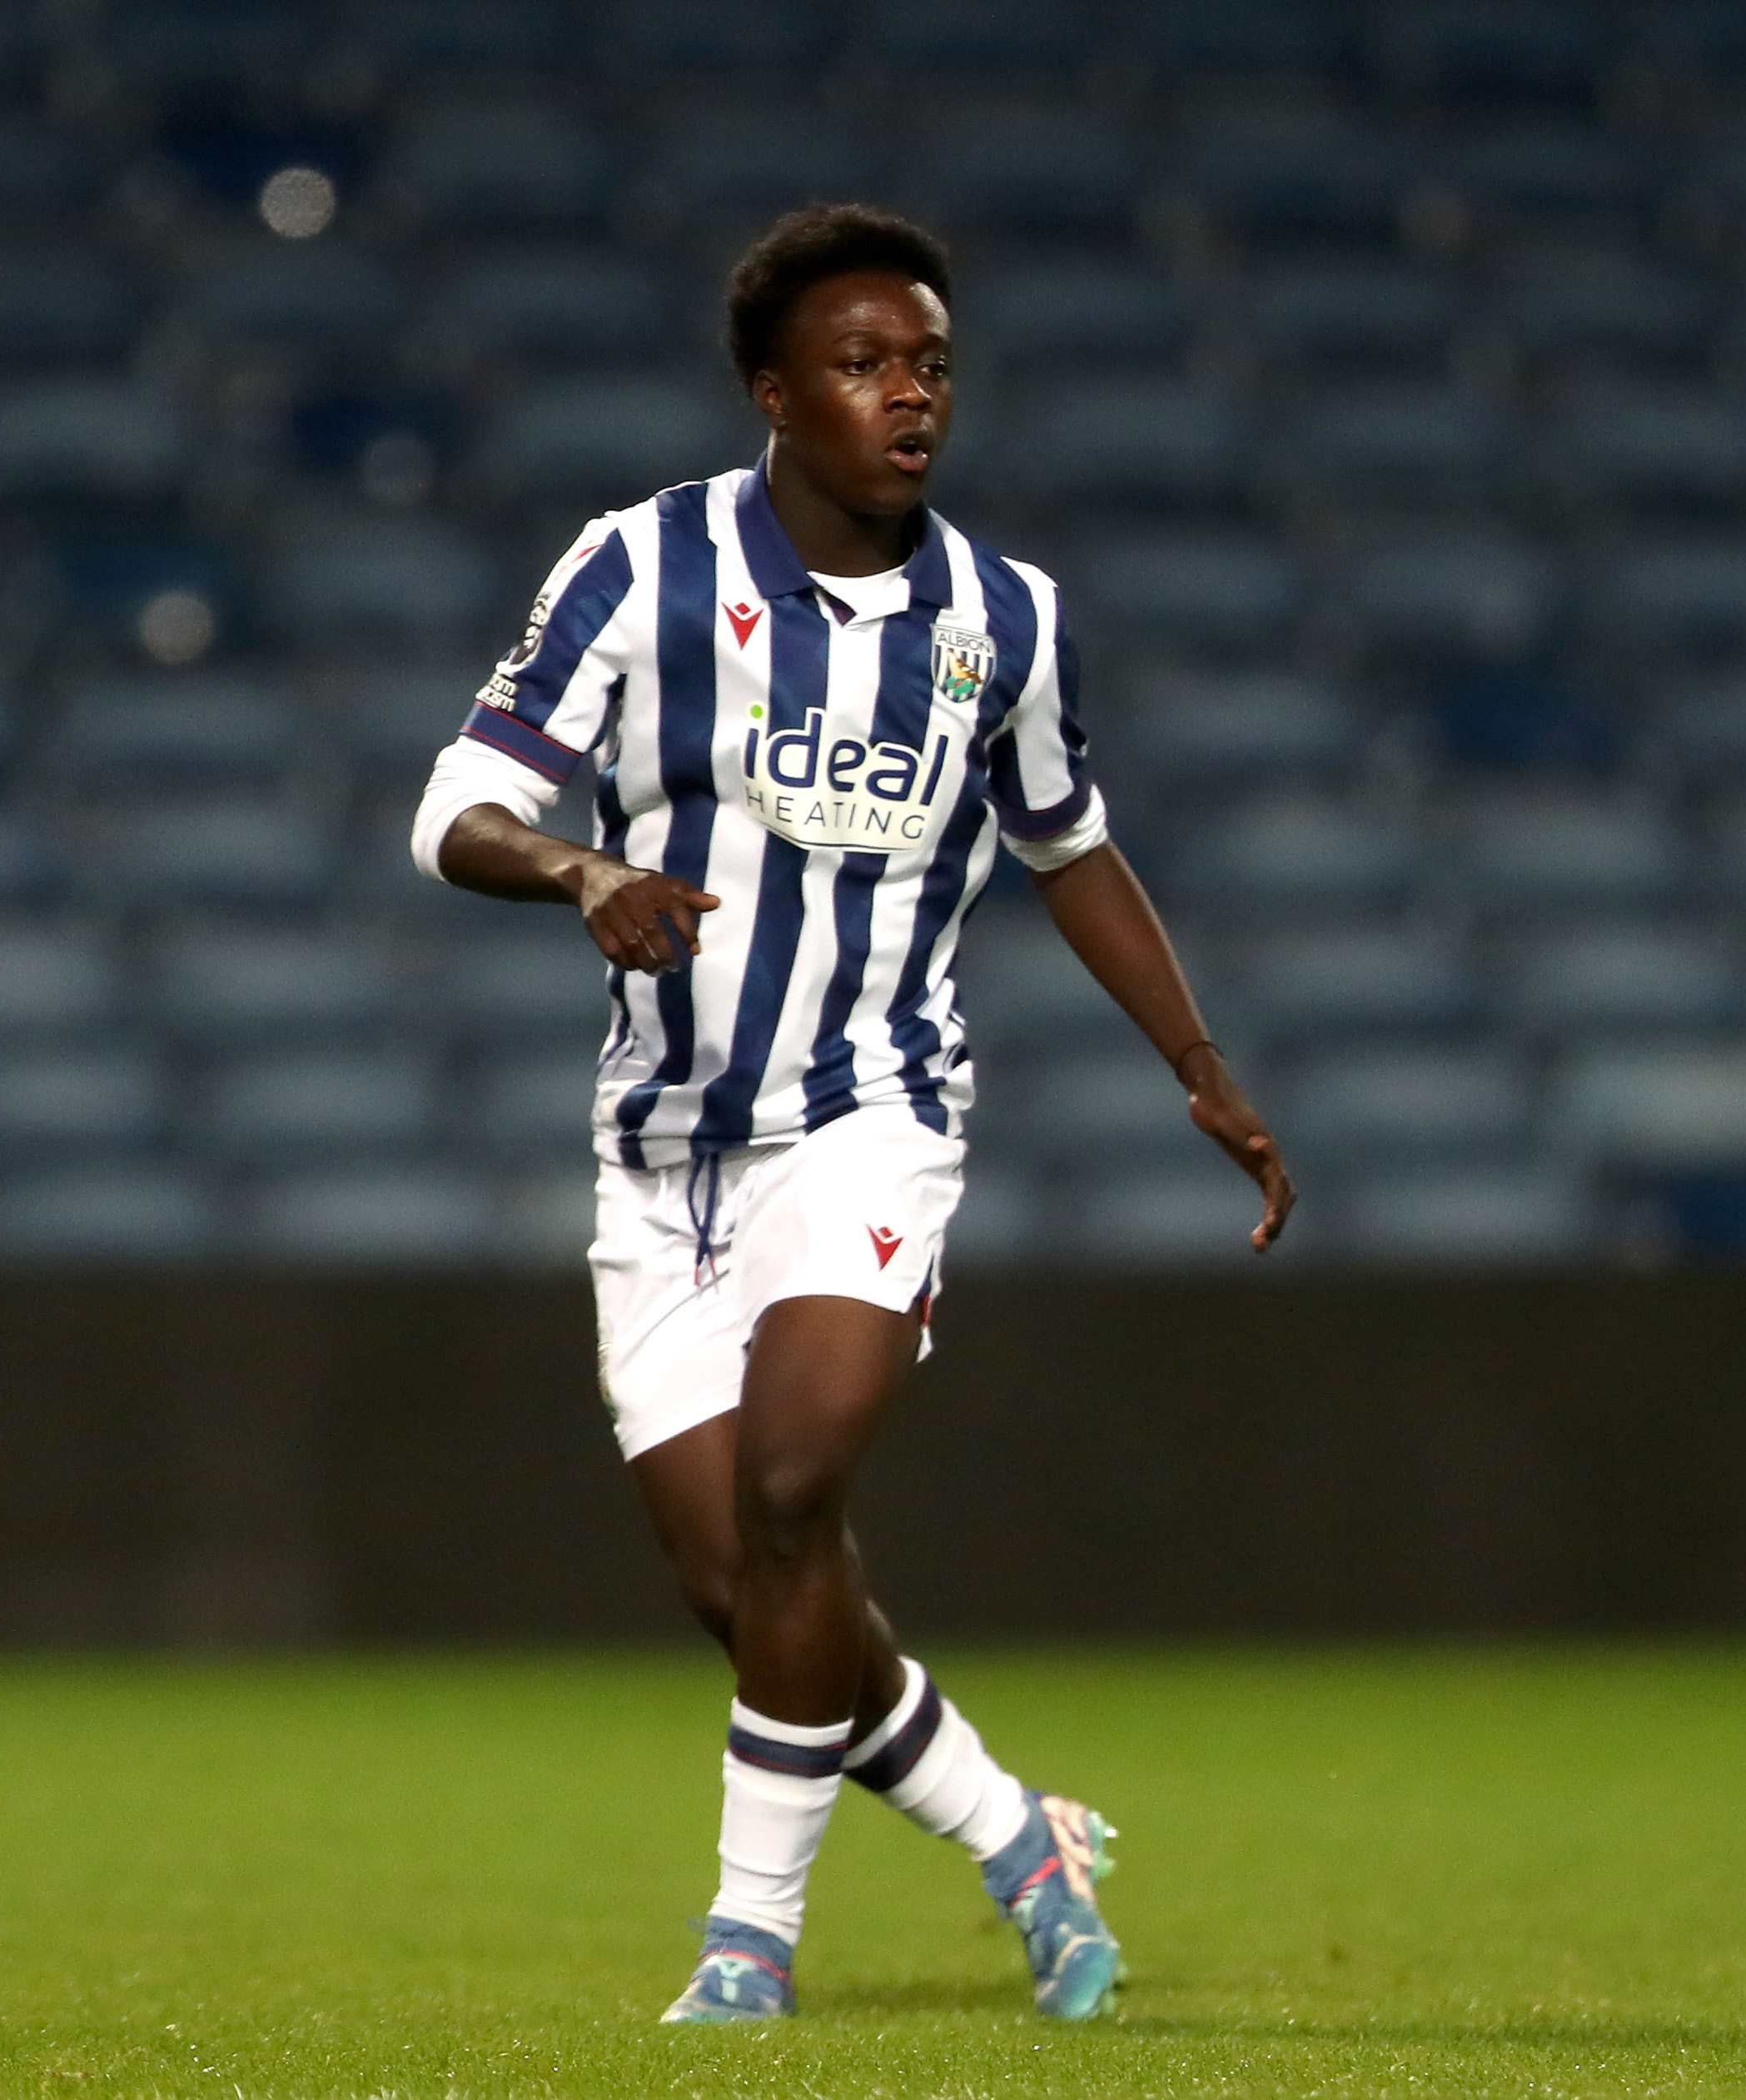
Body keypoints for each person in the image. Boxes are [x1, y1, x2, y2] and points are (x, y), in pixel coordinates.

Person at [412, 204, 1295, 2025]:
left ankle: (746, 1943)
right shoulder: (641, 565)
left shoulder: (1004, 617)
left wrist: (1196, 1064)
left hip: (871, 1113)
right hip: (662, 1151)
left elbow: (1068, 844)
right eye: (863, 364)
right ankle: (1014, 1837)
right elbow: (452, 810)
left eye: (930, 365)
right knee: (750, 1592)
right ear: (773, 394)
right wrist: (581, 868)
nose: (910, 397)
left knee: (798, 1485)